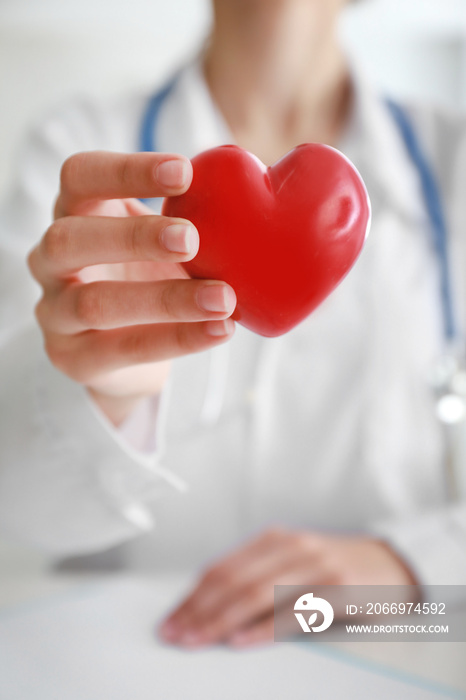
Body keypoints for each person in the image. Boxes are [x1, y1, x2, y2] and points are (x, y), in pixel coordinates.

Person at [0, 0, 465, 649]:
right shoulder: (74, 144)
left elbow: (456, 612)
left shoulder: (453, 164)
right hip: (136, 663)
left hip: (394, 657)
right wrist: (107, 391)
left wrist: (418, 578)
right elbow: (19, 517)